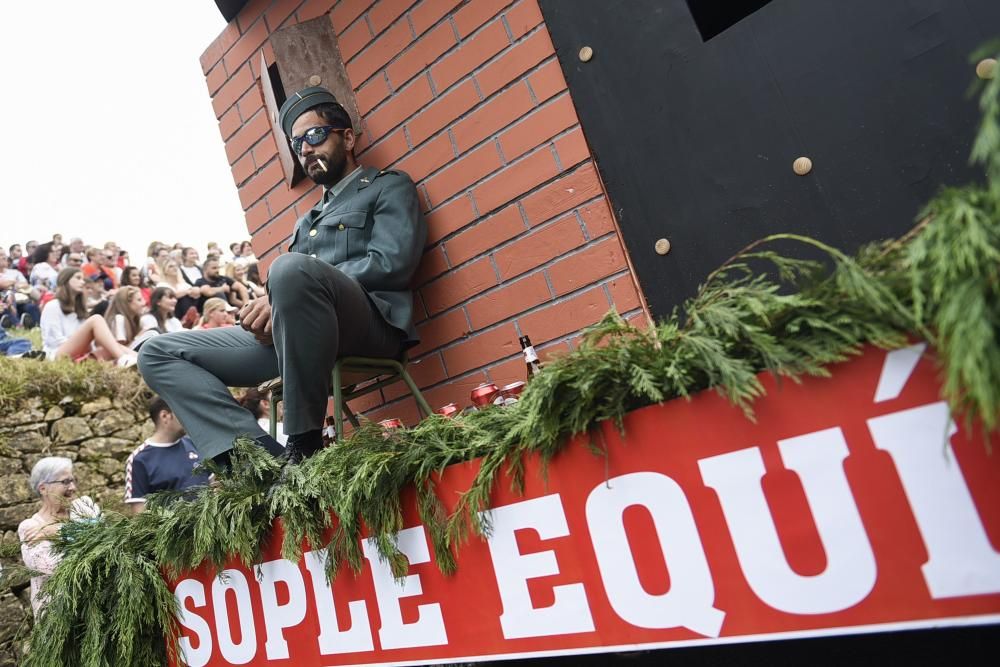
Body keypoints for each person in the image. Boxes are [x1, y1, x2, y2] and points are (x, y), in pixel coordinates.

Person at [139, 85, 427, 464]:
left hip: (369, 328)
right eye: (297, 144)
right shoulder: (305, 222)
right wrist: (274, 307)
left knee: (288, 268)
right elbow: (295, 288)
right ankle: (257, 461)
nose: (306, 149)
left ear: (348, 137)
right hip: (300, 343)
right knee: (157, 352)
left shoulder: (386, 187)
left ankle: (303, 443)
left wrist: (291, 290)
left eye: (315, 135)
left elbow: (392, 262)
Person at [18, 457, 100, 617]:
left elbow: (104, 538)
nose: (73, 487)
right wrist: (82, 536)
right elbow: (56, 569)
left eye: (73, 480)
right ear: (43, 488)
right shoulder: (30, 527)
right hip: (56, 615)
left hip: (96, 609)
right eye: (65, 482)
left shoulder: (83, 507)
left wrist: (57, 532)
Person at [123, 397, 210, 513]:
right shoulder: (139, 459)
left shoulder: (196, 444)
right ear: (165, 416)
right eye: (183, 412)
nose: (189, 418)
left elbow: (214, 486)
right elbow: (140, 515)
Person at [40, 268, 138, 365]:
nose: (82, 282)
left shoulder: (79, 309)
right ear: (65, 280)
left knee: (112, 346)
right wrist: (82, 342)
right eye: (78, 278)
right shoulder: (53, 305)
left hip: (79, 353)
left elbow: (88, 344)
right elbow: (53, 341)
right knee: (96, 319)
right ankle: (123, 359)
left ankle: (141, 360)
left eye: (82, 279)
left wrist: (91, 347)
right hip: (56, 354)